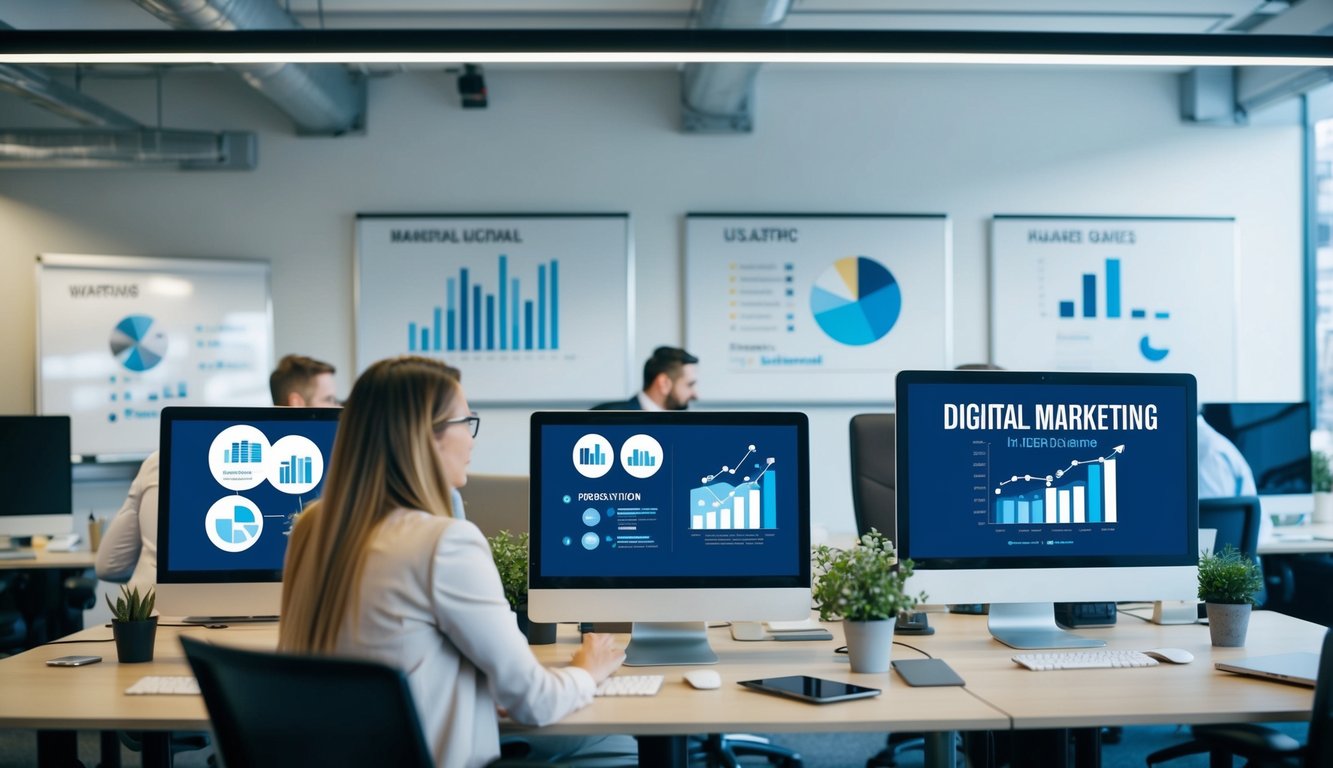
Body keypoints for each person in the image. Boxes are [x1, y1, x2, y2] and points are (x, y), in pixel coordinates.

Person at [278, 356, 624, 768]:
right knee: (618, 745)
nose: (473, 439)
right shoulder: (445, 544)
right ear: (426, 438)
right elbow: (535, 702)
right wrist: (589, 669)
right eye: (467, 421)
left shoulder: (312, 527)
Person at [95, 354, 340, 590]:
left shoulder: (161, 458)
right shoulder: (309, 472)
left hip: (151, 617)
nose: (339, 408)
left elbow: (110, 565)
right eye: (329, 400)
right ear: (297, 403)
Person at [591, 346, 698, 411]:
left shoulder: (682, 426)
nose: (695, 395)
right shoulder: (605, 418)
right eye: (690, 385)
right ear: (664, 383)